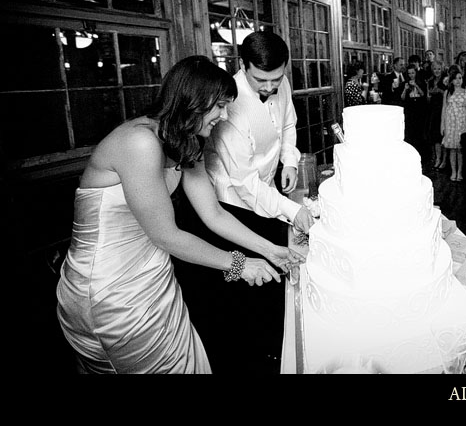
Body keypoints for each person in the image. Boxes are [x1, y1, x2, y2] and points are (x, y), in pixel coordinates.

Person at [56, 56, 304, 374]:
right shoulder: (139, 142)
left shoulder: (186, 141)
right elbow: (166, 235)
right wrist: (240, 264)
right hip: (111, 290)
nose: (225, 116)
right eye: (220, 106)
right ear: (193, 100)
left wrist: (273, 251)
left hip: (156, 280)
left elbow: (213, 213)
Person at [188, 30, 315, 374]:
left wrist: (289, 160)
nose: (271, 87)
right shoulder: (228, 105)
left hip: (270, 186)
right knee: (247, 283)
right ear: (243, 66)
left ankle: (277, 349)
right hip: (231, 204)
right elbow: (244, 185)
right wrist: (294, 210)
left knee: (273, 273)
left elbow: (289, 124)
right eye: (262, 80)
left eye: (278, 78)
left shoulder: (279, 82)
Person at [441, 68, 466, 182]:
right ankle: (453, 171)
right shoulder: (448, 92)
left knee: (460, 149)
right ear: (451, 81)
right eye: (455, 79)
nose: (458, 81)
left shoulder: (465, 92)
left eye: (460, 78)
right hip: (450, 122)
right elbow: (444, 109)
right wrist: (442, 125)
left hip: (462, 121)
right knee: (452, 149)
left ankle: (459, 172)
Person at [401, 64, 428, 161]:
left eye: (413, 73)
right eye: (409, 73)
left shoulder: (421, 82)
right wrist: (405, 88)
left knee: (420, 132)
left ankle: (422, 155)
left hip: (419, 108)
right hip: (410, 109)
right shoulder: (405, 83)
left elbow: (423, 94)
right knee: (410, 132)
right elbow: (402, 98)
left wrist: (416, 85)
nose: (411, 75)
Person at [426, 60, 447, 170]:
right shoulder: (430, 81)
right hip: (433, 110)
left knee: (443, 135)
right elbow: (428, 97)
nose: (437, 71)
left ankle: (444, 160)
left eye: (439, 69)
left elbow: (449, 95)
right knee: (435, 136)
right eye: (435, 69)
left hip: (443, 109)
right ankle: (438, 158)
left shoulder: (446, 80)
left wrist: (439, 91)